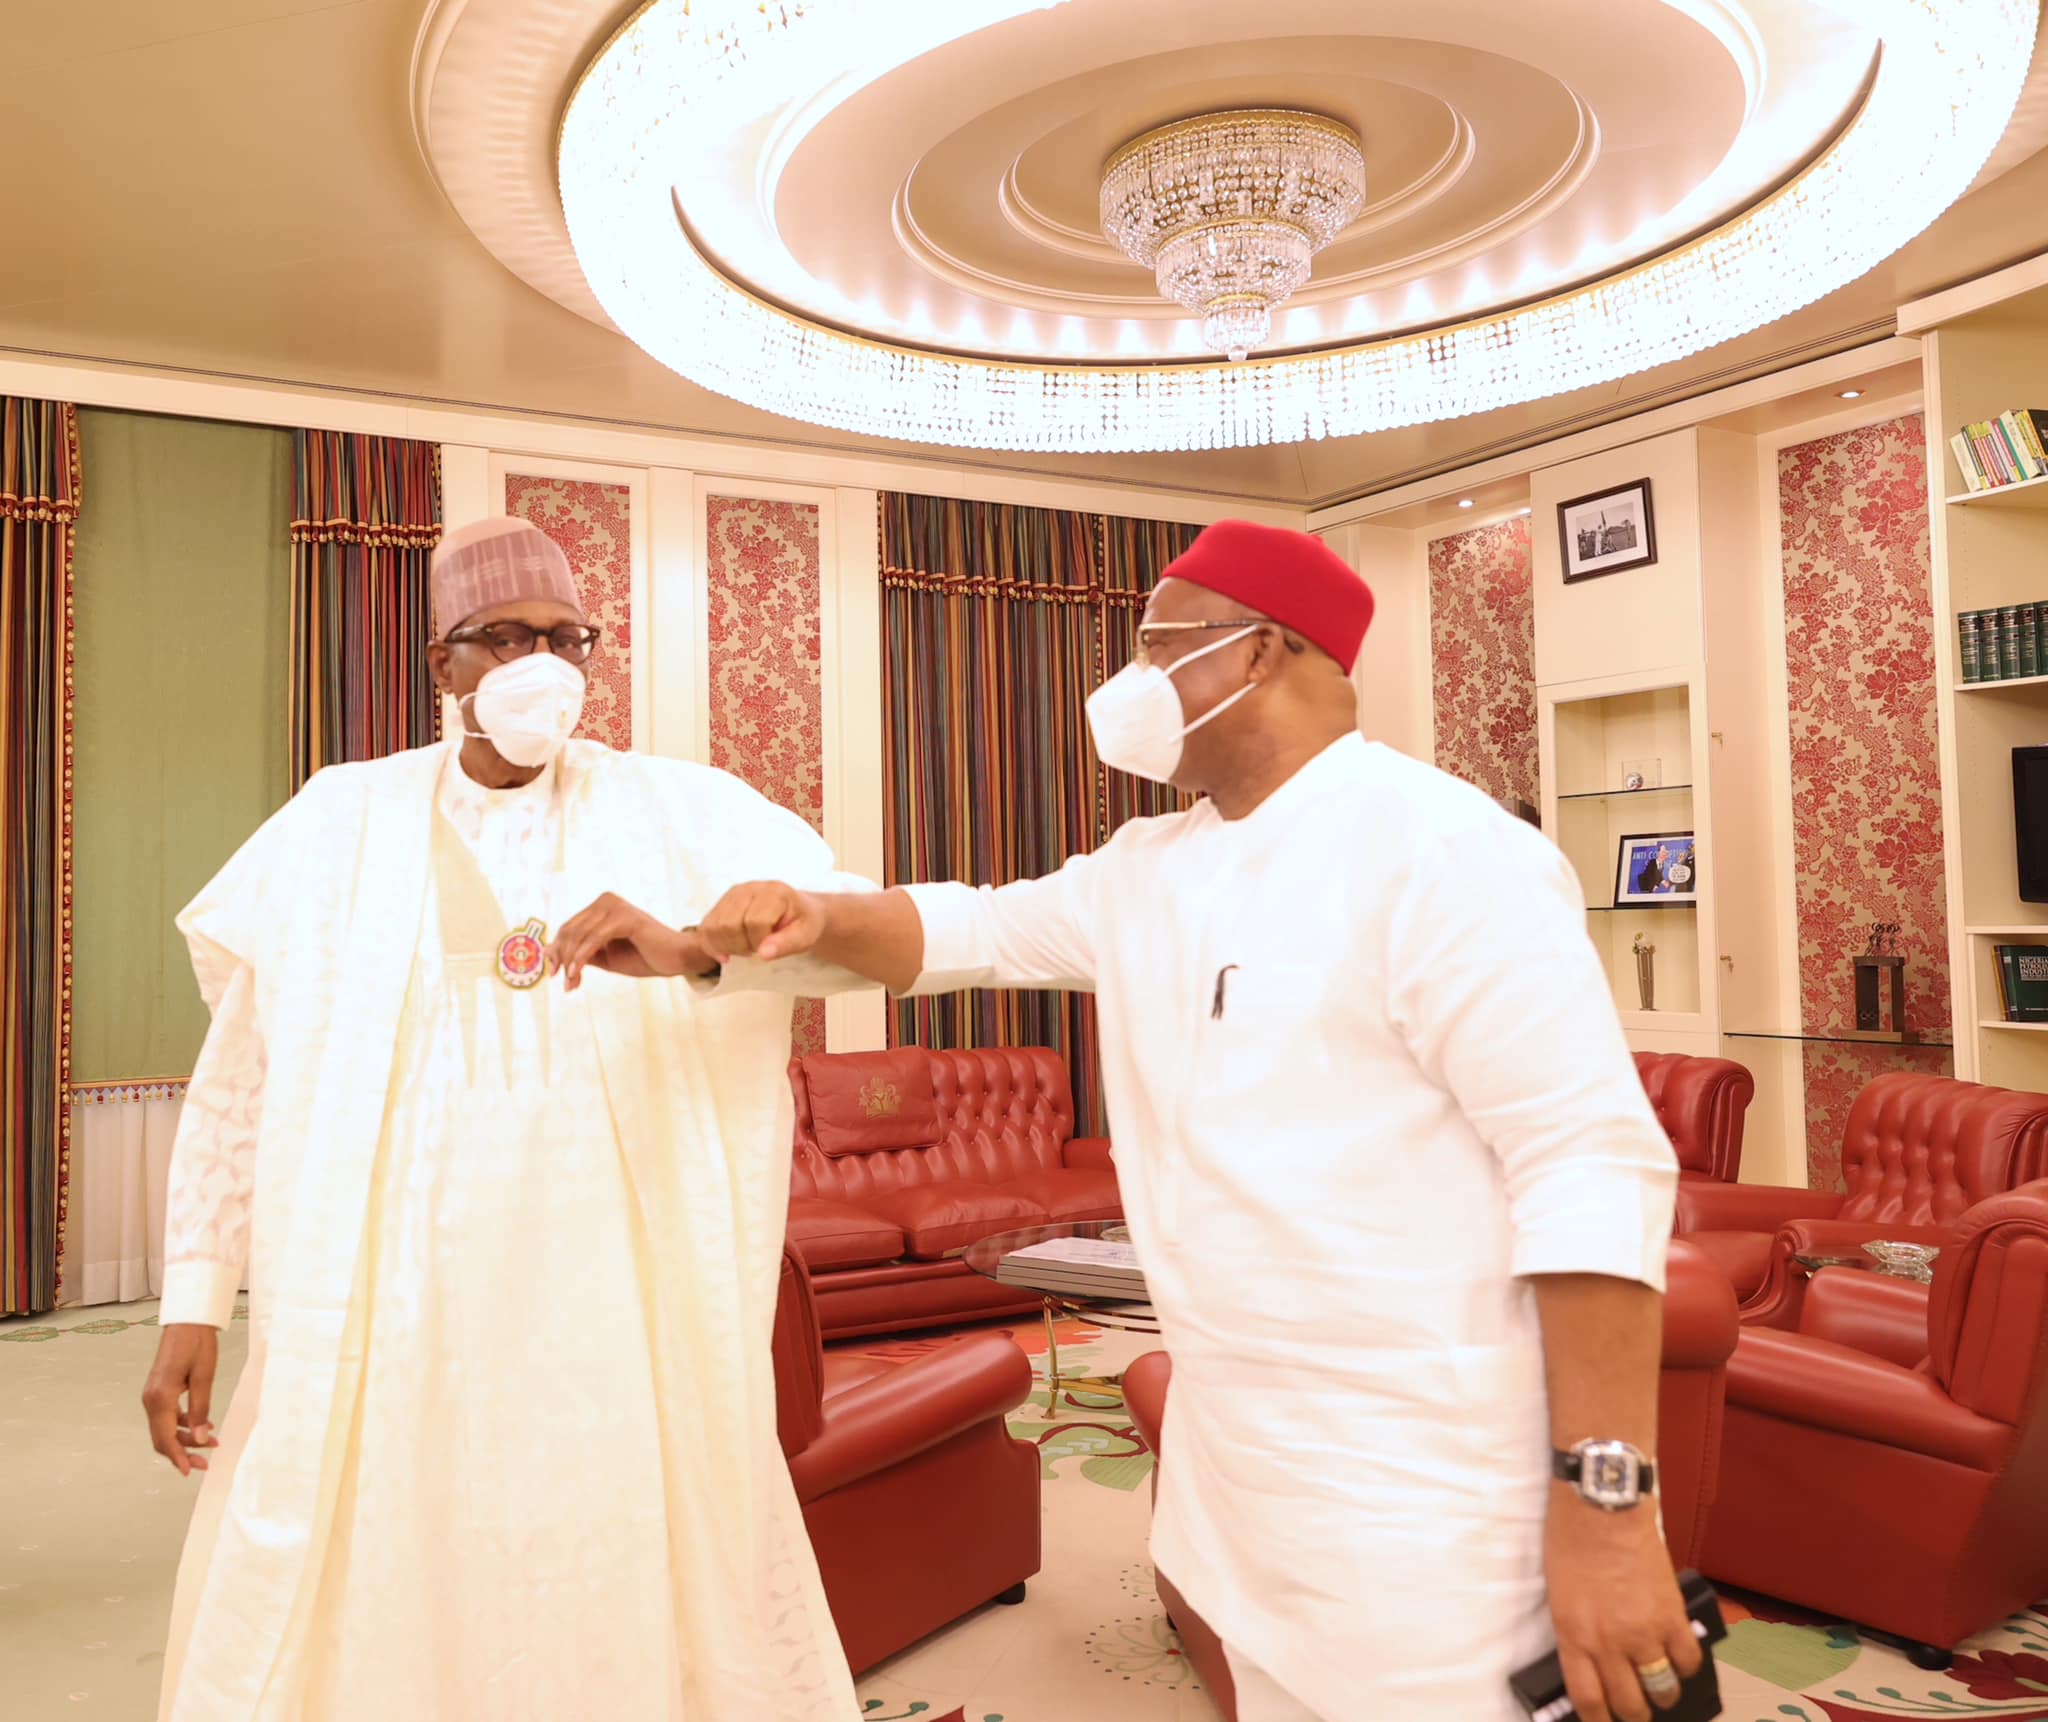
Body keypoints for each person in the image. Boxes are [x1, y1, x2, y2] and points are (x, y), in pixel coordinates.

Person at [630, 519, 1699, 1722]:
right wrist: (801, 920)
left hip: (1424, 1485)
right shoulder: (1145, 867)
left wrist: (1609, 1513)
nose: (1128, 682)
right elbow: (961, 929)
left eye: (1155, 645)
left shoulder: (1445, 854)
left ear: (1255, 654)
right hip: (1234, 1469)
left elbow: (1589, 1169)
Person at [141, 518, 867, 1722]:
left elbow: (845, 944)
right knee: (383, 1542)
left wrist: (694, 950)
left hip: (613, 1305)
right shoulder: (338, 820)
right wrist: (192, 1299)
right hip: (396, 1299)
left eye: (567, 638)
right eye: (505, 638)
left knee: (615, 1541)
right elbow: (243, 1076)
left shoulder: (679, 809)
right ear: (443, 665)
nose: (545, 664)